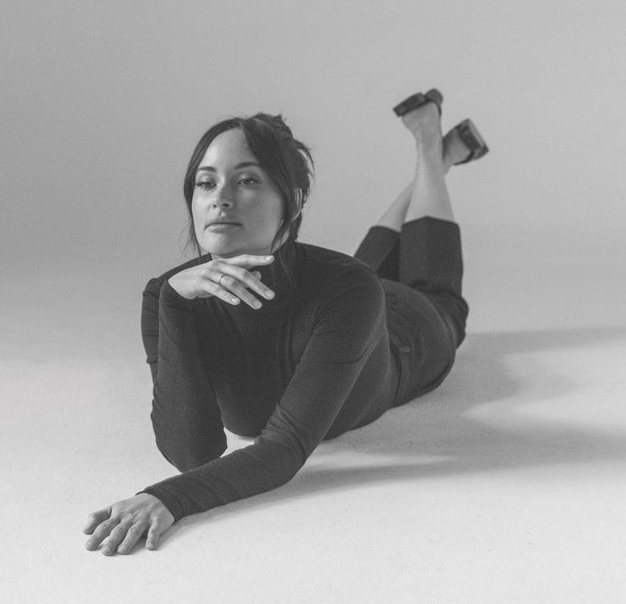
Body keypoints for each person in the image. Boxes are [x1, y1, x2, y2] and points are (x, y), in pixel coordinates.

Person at [82, 90, 487, 555]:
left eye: (247, 180)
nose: (220, 199)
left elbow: (283, 449)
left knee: (434, 296)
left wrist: (169, 499)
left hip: (406, 334)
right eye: (206, 183)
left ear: (291, 202)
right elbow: (192, 453)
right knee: (365, 267)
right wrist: (173, 306)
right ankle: (438, 160)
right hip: (347, 302)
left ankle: (430, 151)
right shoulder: (169, 293)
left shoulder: (348, 289)